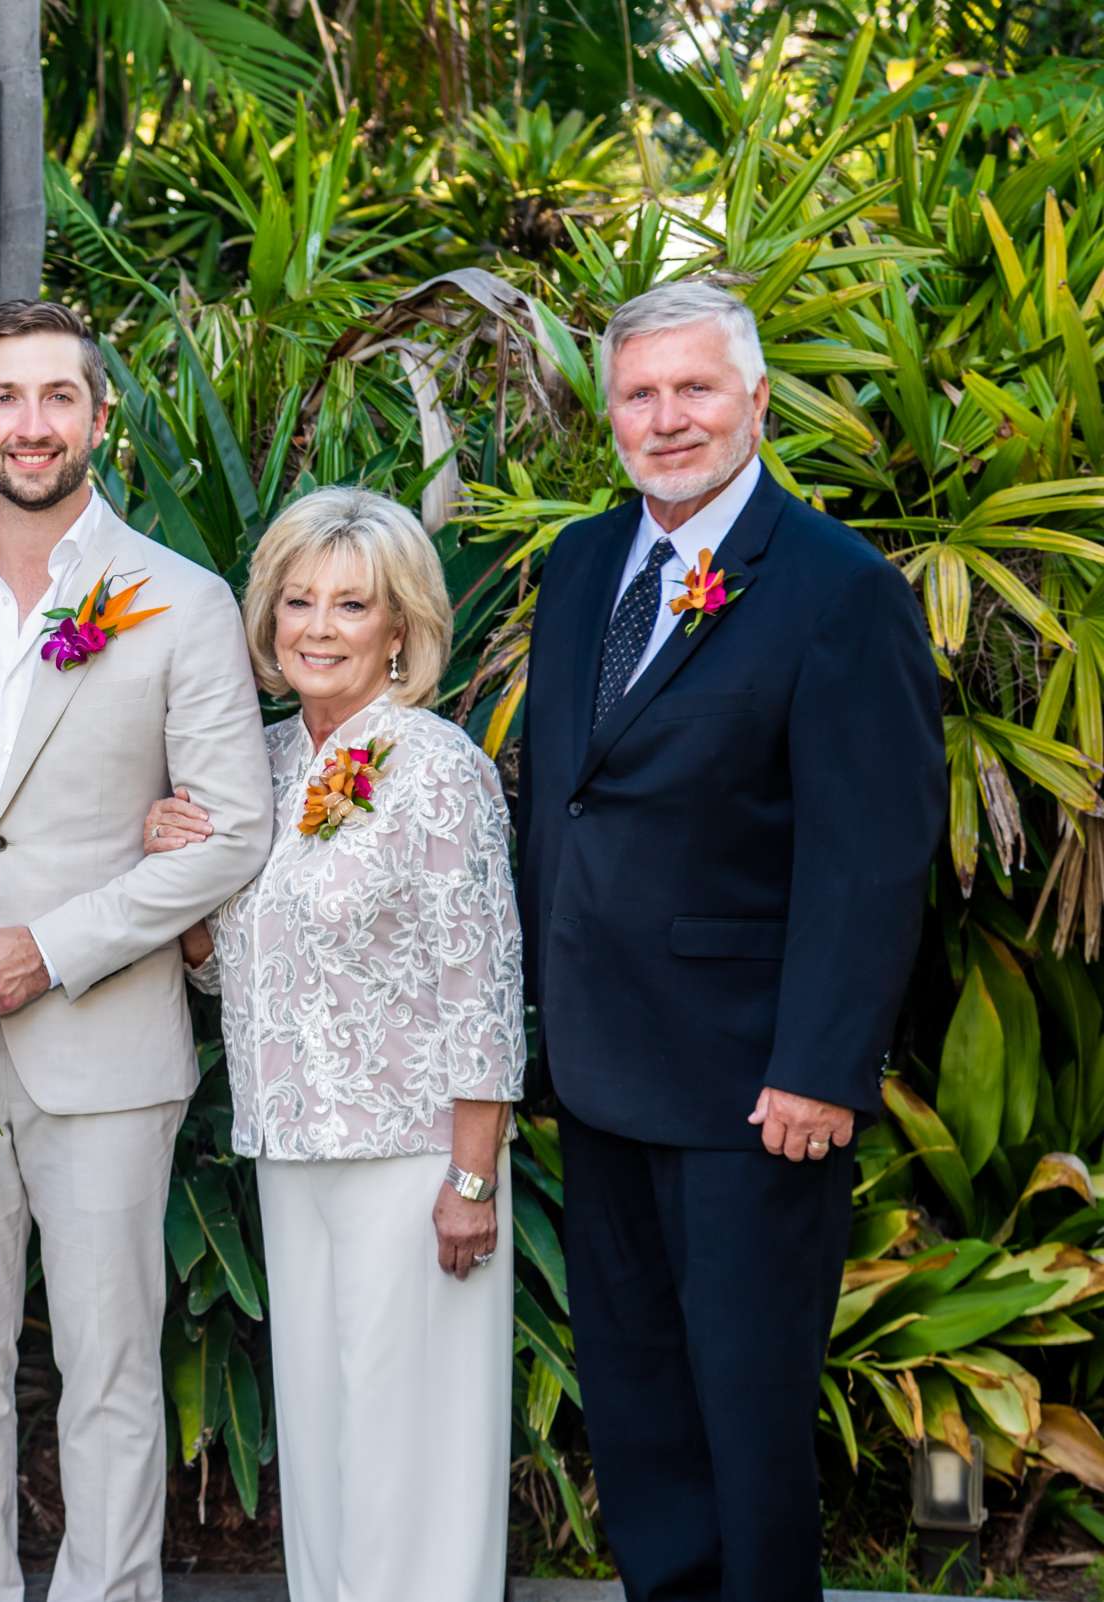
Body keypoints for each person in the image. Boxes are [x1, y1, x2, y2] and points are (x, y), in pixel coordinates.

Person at [516, 280, 944, 1601]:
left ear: (755, 400)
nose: (667, 416)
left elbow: (869, 852)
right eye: (640, 394)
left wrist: (822, 1063)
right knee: (639, 1407)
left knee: (747, 1419)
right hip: (599, 1067)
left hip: (751, 1085)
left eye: (695, 388)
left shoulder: (839, 589)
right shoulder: (583, 561)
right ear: (611, 417)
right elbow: (566, 793)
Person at [0, 298, 275, 1602]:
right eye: (6, 397)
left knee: (107, 1365)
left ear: (101, 418)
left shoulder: (181, 598)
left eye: (58, 397)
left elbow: (232, 829)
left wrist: (56, 942)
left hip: (104, 1036)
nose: (31, 422)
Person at [141, 486, 524, 1602]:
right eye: (298, 599)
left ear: (399, 627)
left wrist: (471, 1173)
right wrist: (187, 885)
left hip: (414, 1161)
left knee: (416, 1443)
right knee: (322, 1437)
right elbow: (232, 975)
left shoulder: (435, 765)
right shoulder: (254, 762)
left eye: (350, 605)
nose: (318, 625)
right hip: (290, 1147)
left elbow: (483, 984)